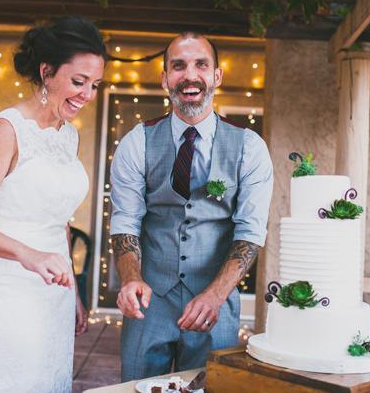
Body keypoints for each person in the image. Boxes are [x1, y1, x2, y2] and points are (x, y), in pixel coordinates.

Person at [109, 31, 273, 381]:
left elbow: (250, 231)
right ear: (165, 78)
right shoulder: (136, 142)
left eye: (201, 64)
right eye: (178, 65)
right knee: (137, 388)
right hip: (148, 302)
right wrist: (131, 279)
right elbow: (126, 221)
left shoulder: (250, 147)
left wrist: (214, 295)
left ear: (217, 75)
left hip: (216, 300)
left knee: (209, 387)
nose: (189, 75)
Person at [0, 16, 106, 392]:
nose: (87, 94)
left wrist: (72, 291)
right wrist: (28, 255)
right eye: (78, 81)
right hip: (8, 284)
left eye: (95, 85)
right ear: (47, 72)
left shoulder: (69, 136)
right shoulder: (6, 130)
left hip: (53, 285)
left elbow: (59, 220)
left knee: (48, 380)